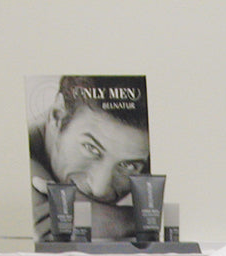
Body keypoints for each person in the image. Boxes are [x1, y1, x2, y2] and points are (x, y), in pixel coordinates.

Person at [27, 75, 150, 241]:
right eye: (91, 148)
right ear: (57, 115)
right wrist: (126, 221)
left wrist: (124, 222)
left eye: (129, 165)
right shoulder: (13, 159)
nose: (100, 189)